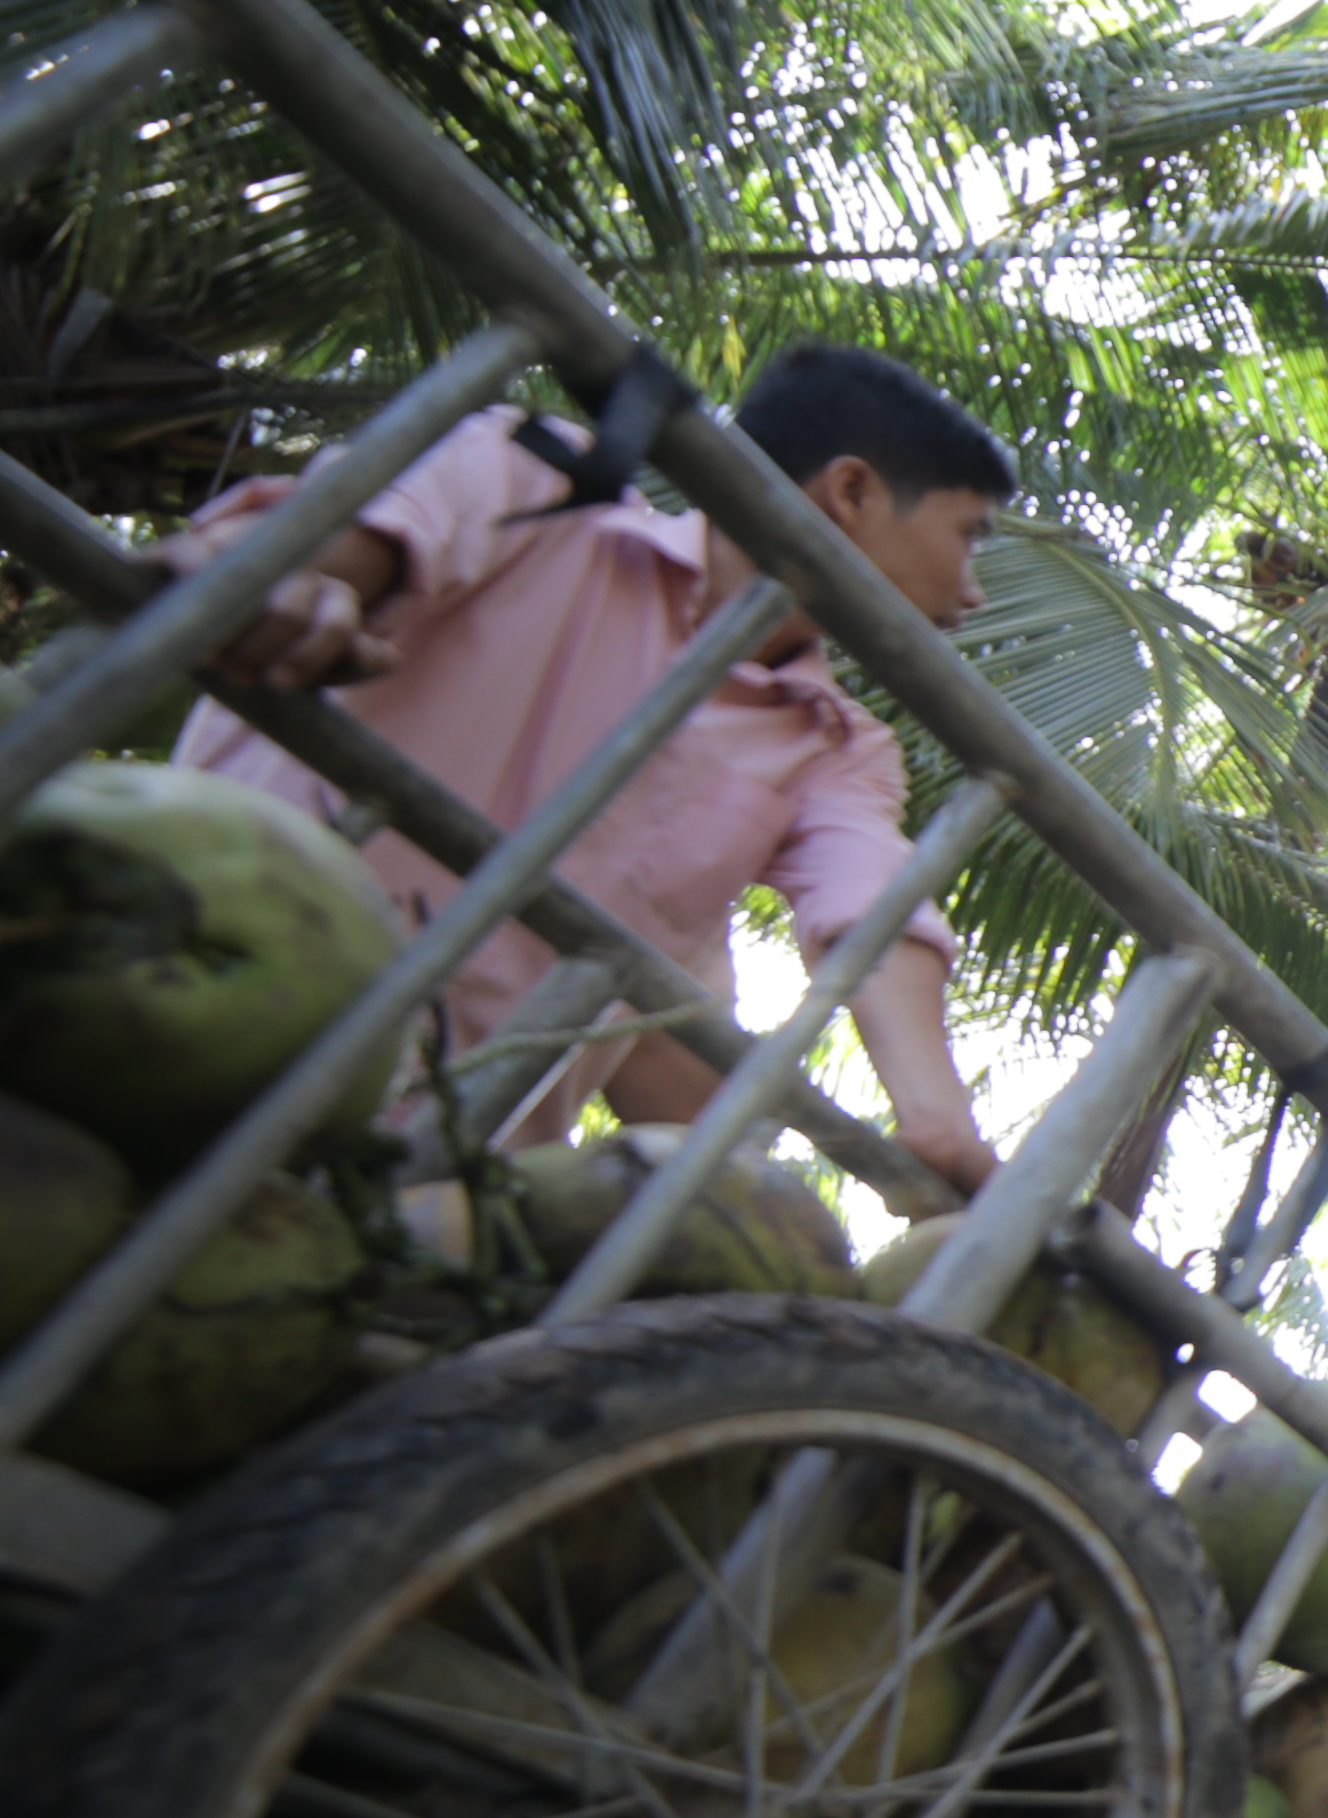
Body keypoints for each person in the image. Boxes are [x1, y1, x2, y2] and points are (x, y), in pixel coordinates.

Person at [147, 342, 1010, 1189]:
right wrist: (294, 583)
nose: (972, 592)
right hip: (153, 984)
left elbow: (873, 907)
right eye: (969, 535)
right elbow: (316, 556)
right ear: (852, 490)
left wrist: (935, 1119)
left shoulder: (833, 748)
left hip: (405, 1179)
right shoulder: (536, 485)